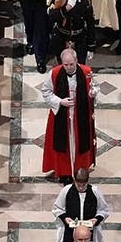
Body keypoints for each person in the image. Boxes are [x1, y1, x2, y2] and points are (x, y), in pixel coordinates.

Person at [39, 47, 97, 182]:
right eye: (66, 64)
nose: (69, 67)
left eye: (71, 64)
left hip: (80, 114)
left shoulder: (86, 72)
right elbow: (46, 92)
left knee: (79, 142)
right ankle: (64, 173)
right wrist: (60, 101)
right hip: (62, 115)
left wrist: (93, 93)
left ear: (76, 61)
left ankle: (80, 169)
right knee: (63, 144)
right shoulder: (54, 73)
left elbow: (94, 88)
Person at [53, 167, 111, 242]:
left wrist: (96, 219)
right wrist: (65, 218)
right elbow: (57, 208)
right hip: (70, 232)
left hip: (90, 232)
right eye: (78, 185)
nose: (81, 188)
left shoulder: (95, 191)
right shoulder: (66, 190)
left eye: (84, 185)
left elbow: (104, 209)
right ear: (74, 180)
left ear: (87, 181)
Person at [49, 0, 97, 68]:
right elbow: (51, 17)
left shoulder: (85, 3)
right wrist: (65, 9)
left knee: (80, 66)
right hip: (61, 37)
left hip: (79, 39)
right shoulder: (58, 0)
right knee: (62, 65)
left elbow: (90, 25)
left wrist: (91, 46)